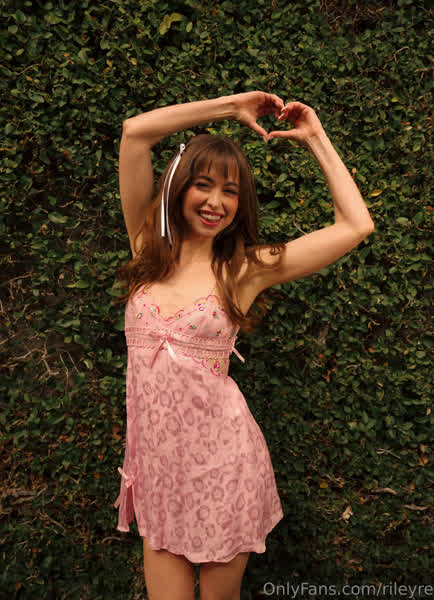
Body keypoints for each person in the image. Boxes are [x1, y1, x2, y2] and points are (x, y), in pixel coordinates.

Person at [113, 91, 374, 600]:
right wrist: (231, 108)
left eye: (230, 192)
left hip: (224, 467)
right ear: (179, 186)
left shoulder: (243, 270)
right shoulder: (146, 246)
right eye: (203, 185)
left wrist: (315, 137)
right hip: (160, 472)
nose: (216, 202)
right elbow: (135, 133)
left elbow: (356, 225)